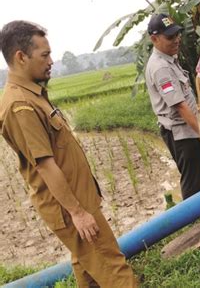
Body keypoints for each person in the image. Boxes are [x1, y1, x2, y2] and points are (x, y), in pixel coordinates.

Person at [0, 21, 137, 287]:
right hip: (70, 207)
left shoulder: (34, 96)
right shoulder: (20, 106)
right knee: (114, 270)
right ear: (21, 57)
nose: (51, 61)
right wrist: (78, 212)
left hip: (77, 201)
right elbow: (45, 165)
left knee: (88, 267)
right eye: (44, 55)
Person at [145, 14, 200, 199]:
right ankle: (198, 224)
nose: (177, 40)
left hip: (189, 130)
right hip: (181, 134)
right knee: (193, 183)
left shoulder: (169, 60)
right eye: (170, 37)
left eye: (177, 35)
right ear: (154, 39)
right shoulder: (160, 67)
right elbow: (180, 106)